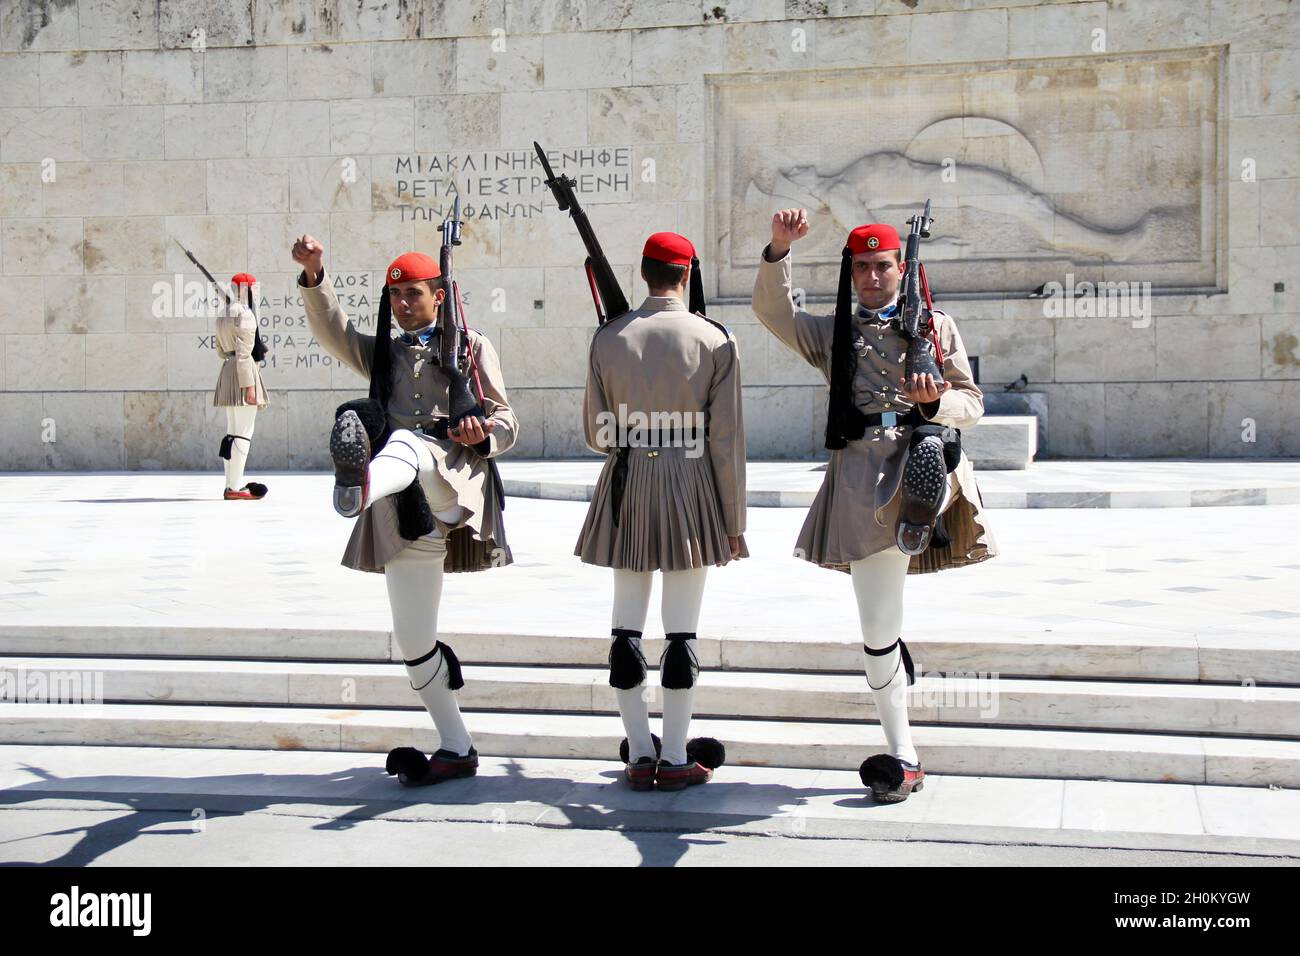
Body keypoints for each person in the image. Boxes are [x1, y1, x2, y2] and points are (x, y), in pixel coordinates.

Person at [751, 209, 997, 802]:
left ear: (901, 268)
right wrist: (778, 251)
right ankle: (902, 736)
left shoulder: (935, 326)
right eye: (860, 267)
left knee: (879, 624)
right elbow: (773, 314)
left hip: (923, 462)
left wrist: (935, 403)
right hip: (864, 475)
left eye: (881, 266)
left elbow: (973, 402)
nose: (870, 276)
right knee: (877, 622)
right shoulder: (836, 332)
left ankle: (903, 755)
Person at [291, 234, 518, 786]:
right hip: (403, 505)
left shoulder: (471, 347)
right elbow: (334, 332)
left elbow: (509, 423)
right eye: (395, 297)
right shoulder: (385, 355)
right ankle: (456, 746)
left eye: (414, 295)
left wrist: (481, 431)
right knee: (413, 640)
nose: (403, 305)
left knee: (409, 447)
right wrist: (316, 275)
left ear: (439, 296)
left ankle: (357, 486)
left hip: (453, 481)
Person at [576, 231, 745, 791]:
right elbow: (726, 440)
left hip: (627, 478)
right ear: (688, 273)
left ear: (643, 272)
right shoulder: (715, 339)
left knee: (626, 628)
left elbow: (595, 434)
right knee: (681, 633)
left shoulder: (607, 338)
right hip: (691, 479)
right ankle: (675, 756)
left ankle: (639, 752)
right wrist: (733, 522)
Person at [212, 272, 268, 500]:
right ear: (245, 288)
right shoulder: (246, 315)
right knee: (243, 432)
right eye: (255, 288)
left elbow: (220, 350)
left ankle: (231, 484)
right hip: (242, 374)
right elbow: (244, 355)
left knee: (233, 432)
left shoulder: (223, 314)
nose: (257, 291)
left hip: (227, 370)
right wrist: (250, 386)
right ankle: (235, 488)